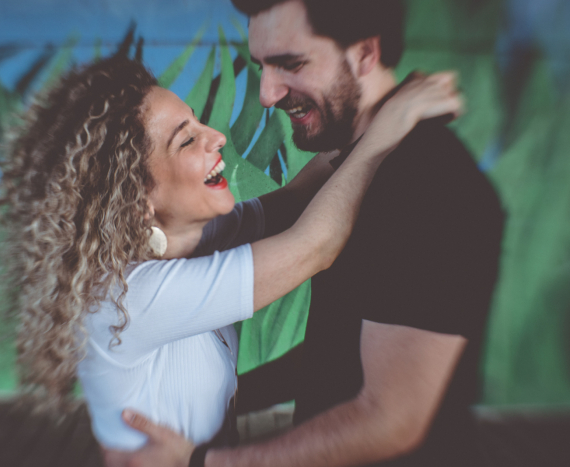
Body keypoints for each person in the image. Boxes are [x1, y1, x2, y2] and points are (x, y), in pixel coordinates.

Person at [0, 53, 462, 456]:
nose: (215, 136)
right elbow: (314, 245)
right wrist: (387, 131)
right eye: (186, 139)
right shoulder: (130, 298)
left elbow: (297, 199)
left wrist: (366, 110)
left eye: (197, 120)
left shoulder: (196, 238)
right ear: (137, 198)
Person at [104, 1, 505, 466]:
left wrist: (202, 461)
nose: (268, 94)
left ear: (365, 54)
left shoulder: (428, 186)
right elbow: (337, 350)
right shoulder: (358, 171)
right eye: (261, 66)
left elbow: (390, 419)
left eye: (290, 63)